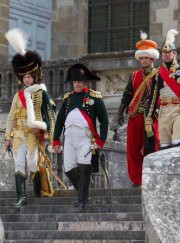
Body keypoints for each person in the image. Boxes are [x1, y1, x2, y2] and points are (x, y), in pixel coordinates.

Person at [4, 28, 56, 207]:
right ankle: (22, 197)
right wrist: (7, 137)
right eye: (24, 77)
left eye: (29, 76)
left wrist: (44, 131)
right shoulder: (18, 95)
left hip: (33, 134)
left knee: (32, 163)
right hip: (18, 133)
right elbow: (10, 117)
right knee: (18, 164)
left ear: (34, 77)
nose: (26, 80)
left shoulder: (41, 93)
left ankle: (36, 193)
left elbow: (50, 114)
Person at [53, 63, 109, 212]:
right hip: (69, 139)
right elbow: (59, 121)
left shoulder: (94, 97)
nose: (77, 84)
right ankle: (84, 193)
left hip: (86, 138)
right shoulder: (68, 99)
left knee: (84, 167)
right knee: (68, 168)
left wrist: (100, 140)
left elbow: (104, 120)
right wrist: (56, 140)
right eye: (74, 82)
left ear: (84, 82)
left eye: (79, 82)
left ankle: (81, 201)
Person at [117, 32, 160, 186]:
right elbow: (126, 95)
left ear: (153, 59)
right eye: (141, 58)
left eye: (146, 58)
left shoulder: (159, 75)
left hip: (151, 117)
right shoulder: (134, 76)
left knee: (152, 146)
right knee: (132, 149)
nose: (143, 61)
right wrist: (120, 112)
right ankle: (137, 179)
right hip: (135, 116)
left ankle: (151, 178)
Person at [147, 29, 180, 149]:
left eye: (169, 52)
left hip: (178, 110)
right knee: (164, 146)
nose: (166, 54)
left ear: (174, 53)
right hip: (163, 112)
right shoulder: (157, 74)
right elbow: (153, 97)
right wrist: (148, 118)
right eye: (164, 52)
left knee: (178, 143)